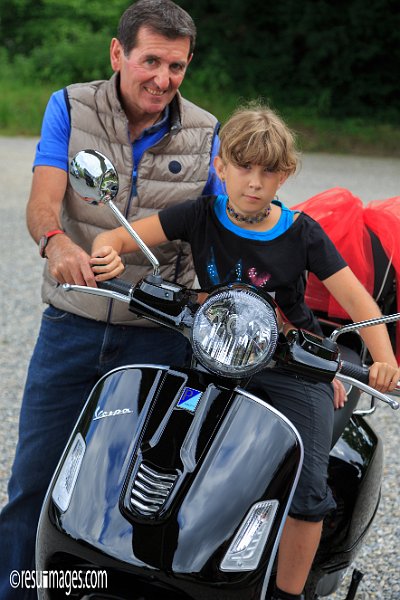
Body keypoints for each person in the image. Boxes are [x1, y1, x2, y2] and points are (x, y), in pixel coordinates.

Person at [91, 103, 400, 600]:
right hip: (211, 361)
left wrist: (385, 360)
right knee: (156, 443)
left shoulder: (301, 232)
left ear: (285, 175)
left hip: (293, 368)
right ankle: (146, 556)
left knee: (308, 486)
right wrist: (106, 249)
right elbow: (120, 237)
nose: (254, 181)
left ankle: (287, 594)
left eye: (269, 170)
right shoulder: (199, 214)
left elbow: (359, 302)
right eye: (243, 166)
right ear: (221, 166)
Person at [0, 1, 222, 598]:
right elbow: (45, 200)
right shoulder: (70, 106)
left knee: (125, 496)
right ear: (118, 54)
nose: (162, 78)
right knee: (34, 481)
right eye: (150, 60)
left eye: (176, 66)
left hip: (156, 337)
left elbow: (221, 231)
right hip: (71, 323)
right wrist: (55, 244)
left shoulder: (206, 130)